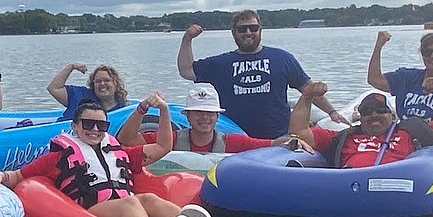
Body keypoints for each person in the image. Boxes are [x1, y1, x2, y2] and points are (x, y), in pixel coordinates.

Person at [0, 95, 222, 217]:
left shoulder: (119, 150)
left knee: (149, 198)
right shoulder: (58, 157)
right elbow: (18, 175)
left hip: (125, 202)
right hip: (93, 209)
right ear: (75, 125)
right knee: (132, 203)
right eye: (88, 124)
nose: (94, 130)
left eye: (101, 125)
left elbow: (163, 146)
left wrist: (164, 110)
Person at [177, 10, 347, 139]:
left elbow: (307, 89)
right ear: (234, 32)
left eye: (253, 28)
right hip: (235, 138)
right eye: (242, 29)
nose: (248, 32)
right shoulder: (221, 63)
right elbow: (186, 71)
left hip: (277, 139)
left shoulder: (282, 58)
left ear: (260, 30)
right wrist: (187, 39)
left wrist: (332, 112)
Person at [288, 83, 433, 168]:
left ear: (392, 115)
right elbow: (299, 132)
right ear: (360, 118)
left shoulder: (411, 132)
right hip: (348, 187)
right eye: (367, 112)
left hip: (400, 185)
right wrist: (307, 97)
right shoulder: (344, 137)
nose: (374, 115)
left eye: (380, 110)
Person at [115, 83, 310, 154]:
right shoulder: (170, 139)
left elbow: (271, 143)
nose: (204, 118)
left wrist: (293, 140)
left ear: (217, 117)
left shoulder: (231, 142)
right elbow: (127, 140)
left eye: (209, 113)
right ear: (188, 116)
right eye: (198, 112)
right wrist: (143, 108)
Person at [367, 30, 433, 137]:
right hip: (402, 135)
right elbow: (374, 79)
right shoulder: (407, 77)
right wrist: (379, 46)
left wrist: (409, 134)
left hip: (431, 139)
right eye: (427, 52)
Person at [47, 63, 131, 122]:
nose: (102, 84)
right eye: (98, 81)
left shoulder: (124, 109)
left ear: (116, 83)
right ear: (93, 85)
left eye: (107, 80)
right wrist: (71, 67)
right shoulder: (81, 94)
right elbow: (54, 88)